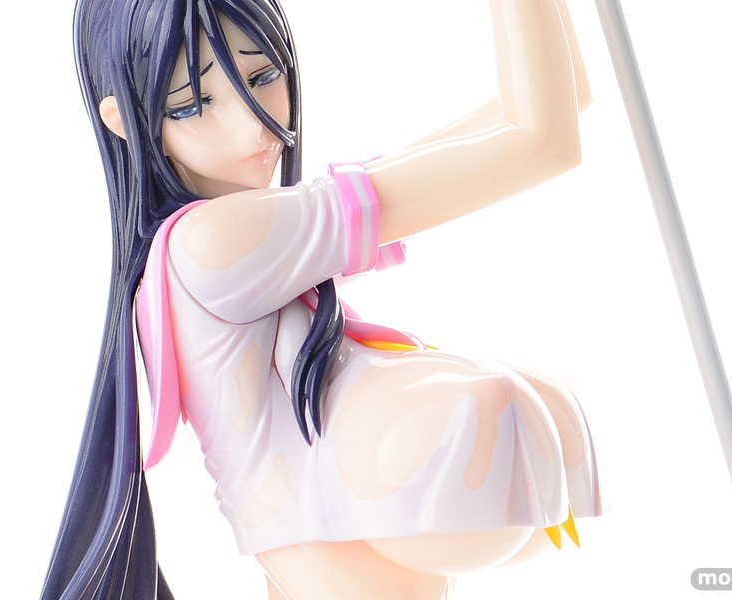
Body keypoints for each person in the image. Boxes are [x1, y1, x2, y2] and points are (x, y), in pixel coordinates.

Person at [42, 0, 600, 598]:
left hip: (332, 554)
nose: (251, 126)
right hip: (338, 551)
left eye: (262, 74)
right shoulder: (212, 244)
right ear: (125, 119)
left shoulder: (243, 237)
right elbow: (540, 141)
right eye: (195, 104)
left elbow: (549, 112)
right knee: (497, 404)